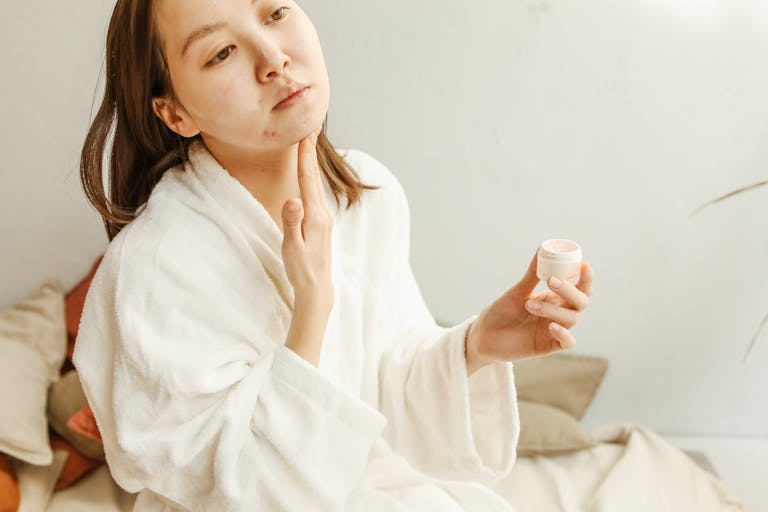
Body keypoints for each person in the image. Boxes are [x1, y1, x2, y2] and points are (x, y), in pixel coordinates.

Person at [74, 0, 595, 510]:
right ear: (175, 112)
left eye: (275, 14)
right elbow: (234, 493)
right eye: (222, 52)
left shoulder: (368, 192)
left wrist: (477, 345)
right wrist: (312, 310)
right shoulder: (155, 264)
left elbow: (383, 389)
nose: (273, 58)